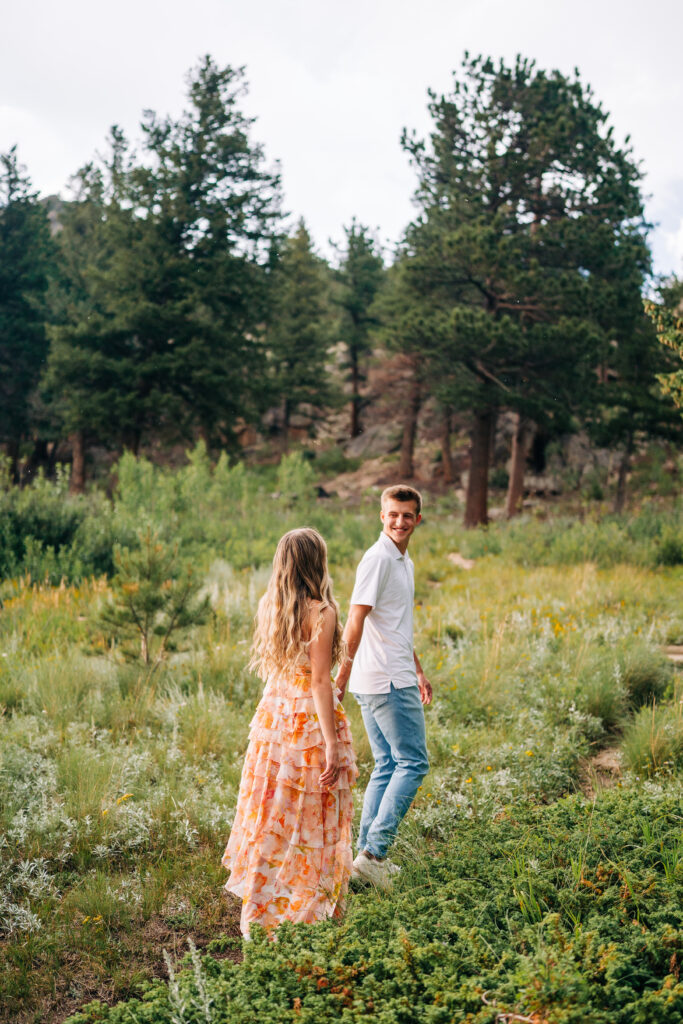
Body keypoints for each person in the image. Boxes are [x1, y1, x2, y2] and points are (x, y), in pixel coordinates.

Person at [222, 528, 357, 938]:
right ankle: (303, 905)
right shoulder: (321, 612)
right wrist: (332, 742)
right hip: (305, 723)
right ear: (317, 561)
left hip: (273, 718)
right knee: (311, 814)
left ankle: (261, 908)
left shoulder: (271, 605)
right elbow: (319, 682)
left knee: (272, 811)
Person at [335, 485, 431, 888]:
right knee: (414, 762)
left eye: (407, 515)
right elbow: (356, 620)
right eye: (393, 514)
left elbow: (395, 626)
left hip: (390, 675)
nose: (399, 521)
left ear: (418, 520)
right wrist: (340, 676)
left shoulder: (402, 561)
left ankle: (362, 860)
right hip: (386, 680)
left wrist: (420, 669)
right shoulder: (378, 559)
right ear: (381, 516)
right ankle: (375, 853)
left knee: (388, 765)